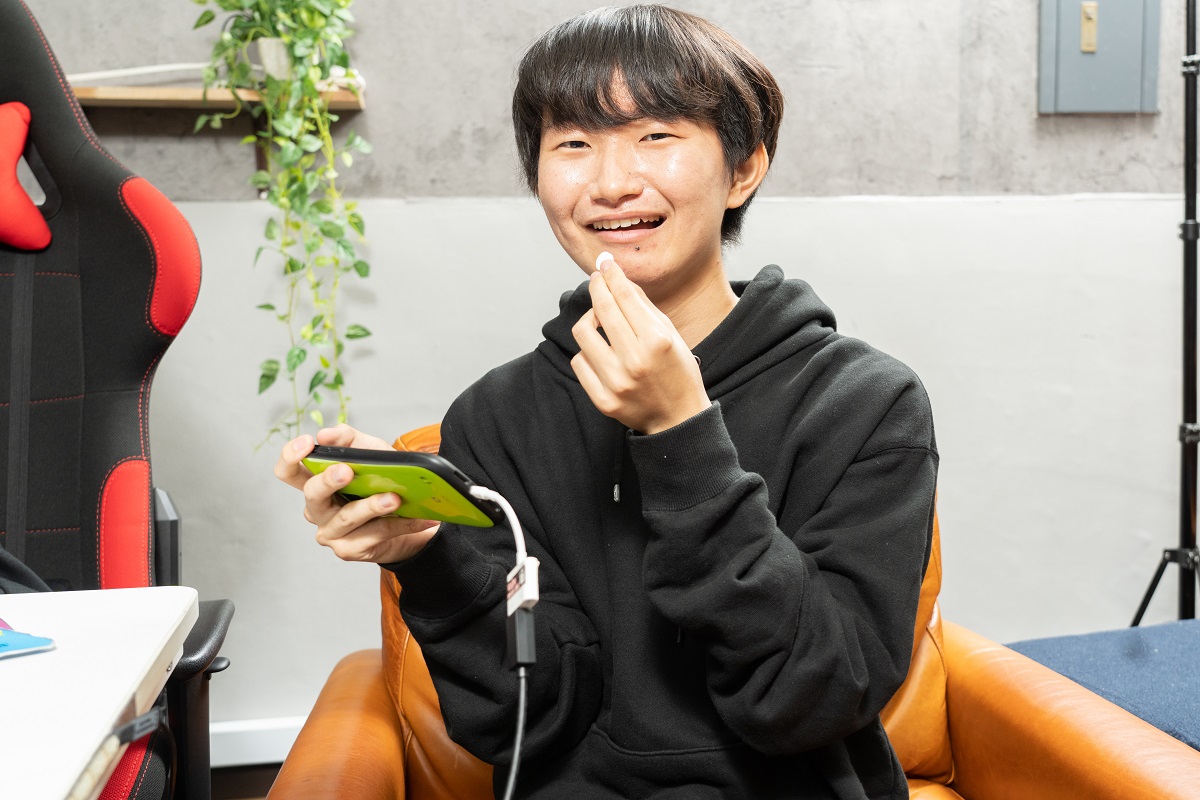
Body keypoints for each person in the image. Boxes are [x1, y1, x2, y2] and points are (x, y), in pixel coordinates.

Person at [275, 5, 937, 799]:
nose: (613, 183)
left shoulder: (867, 402)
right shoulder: (495, 417)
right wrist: (431, 560)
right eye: (573, 145)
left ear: (744, 168)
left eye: (656, 135)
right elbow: (525, 719)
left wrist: (680, 436)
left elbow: (811, 699)